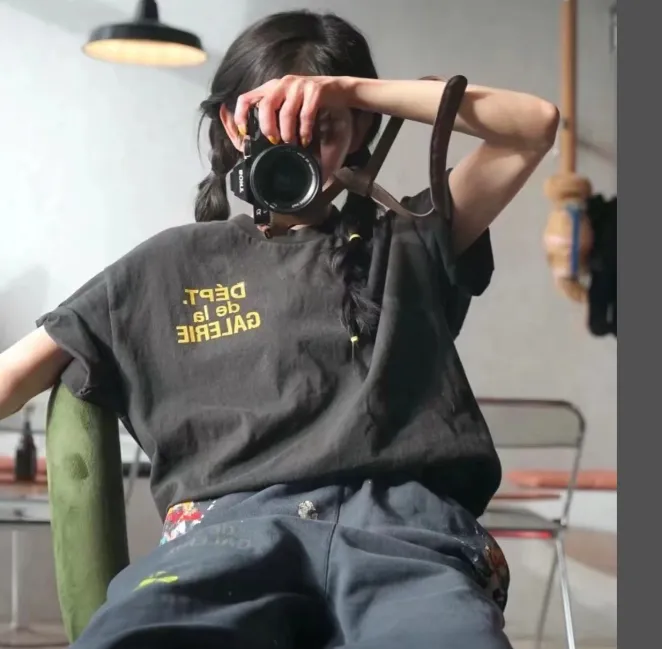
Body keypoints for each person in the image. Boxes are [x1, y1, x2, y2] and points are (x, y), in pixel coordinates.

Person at [0, 10, 558, 649]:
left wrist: (348, 91)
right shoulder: (164, 265)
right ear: (231, 129)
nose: (294, 146)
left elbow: (533, 127)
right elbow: (10, 375)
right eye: (269, 122)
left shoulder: (407, 240)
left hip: (408, 536)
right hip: (221, 536)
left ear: (358, 134)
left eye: (320, 129)